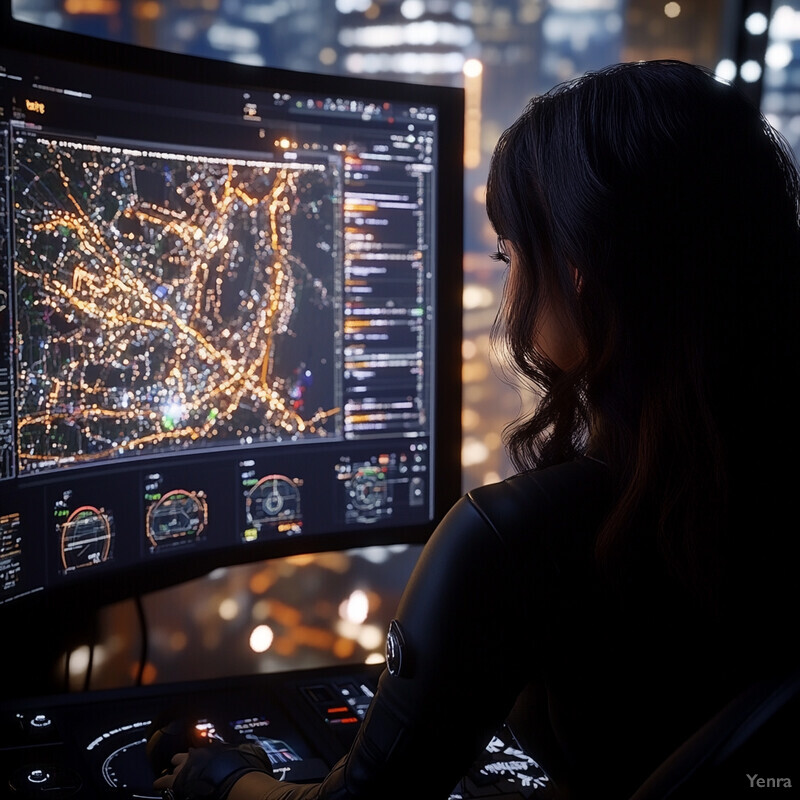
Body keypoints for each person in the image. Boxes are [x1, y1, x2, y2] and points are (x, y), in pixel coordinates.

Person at [151, 59, 800, 800]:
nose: (508, 283)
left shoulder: (521, 539)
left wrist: (223, 777)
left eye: (510, 254)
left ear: (580, 269)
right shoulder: (764, 488)